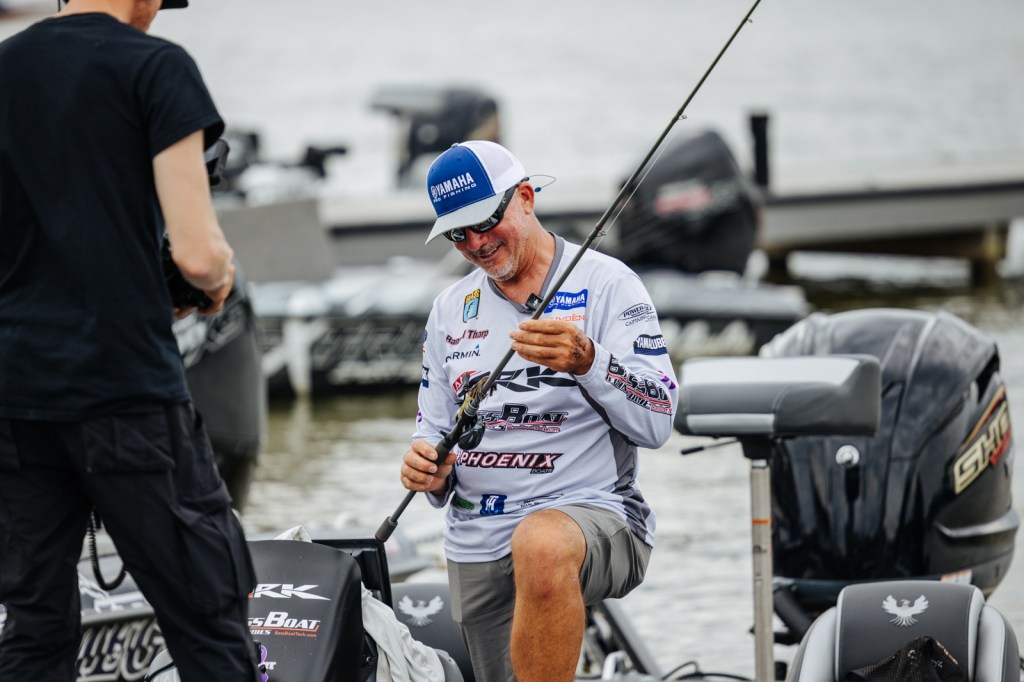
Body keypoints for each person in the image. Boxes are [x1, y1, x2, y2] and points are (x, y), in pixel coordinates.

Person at [0, 1, 260, 680]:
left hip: (14, 399)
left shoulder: (6, 65)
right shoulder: (156, 67)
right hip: (125, 392)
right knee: (208, 614)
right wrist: (217, 281)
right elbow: (198, 255)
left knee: (34, 624)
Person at [401, 140, 679, 682]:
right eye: (458, 233)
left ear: (525, 198)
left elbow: (659, 419)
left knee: (541, 543)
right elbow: (432, 430)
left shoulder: (609, 284)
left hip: (595, 512)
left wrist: (590, 362)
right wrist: (427, 468)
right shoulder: (449, 310)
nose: (476, 243)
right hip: (477, 534)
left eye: (485, 221)